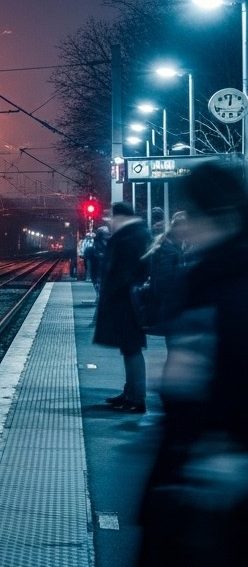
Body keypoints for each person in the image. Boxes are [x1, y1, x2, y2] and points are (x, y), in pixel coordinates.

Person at [138, 161, 248, 565]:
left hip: (212, 484)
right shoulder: (210, 278)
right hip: (191, 475)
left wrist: (234, 452)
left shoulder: (228, 285)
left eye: (192, 217)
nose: (182, 227)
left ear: (222, 217)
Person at [92, 201, 152, 413]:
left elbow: (129, 270)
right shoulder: (133, 234)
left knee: (132, 349)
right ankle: (130, 393)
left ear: (121, 218)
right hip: (125, 301)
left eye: (111, 218)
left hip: (128, 302)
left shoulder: (131, 236)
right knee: (129, 349)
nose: (108, 222)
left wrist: (115, 290)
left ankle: (137, 398)